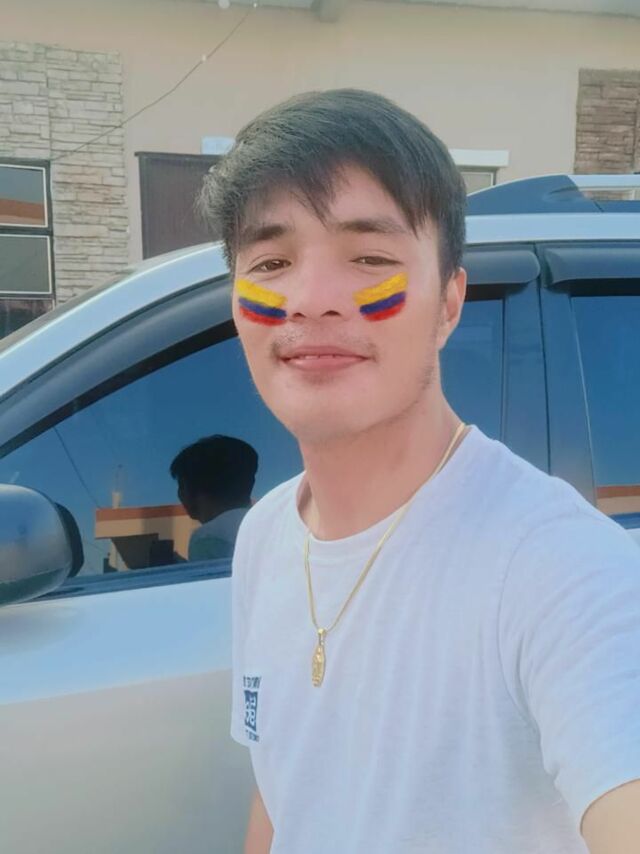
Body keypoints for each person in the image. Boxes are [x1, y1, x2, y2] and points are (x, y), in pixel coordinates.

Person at [200, 89, 640, 854]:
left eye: (370, 258)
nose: (310, 300)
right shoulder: (267, 534)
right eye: (271, 262)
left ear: (449, 304)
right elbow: (280, 793)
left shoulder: (561, 567)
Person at [170, 435, 258, 561]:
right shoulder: (272, 526)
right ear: (250, 483)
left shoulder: (208, 537)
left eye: (181, 486)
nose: (179, 494)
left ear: (192, 488)